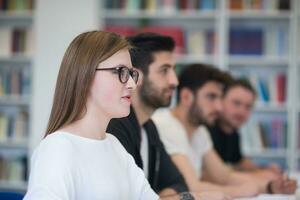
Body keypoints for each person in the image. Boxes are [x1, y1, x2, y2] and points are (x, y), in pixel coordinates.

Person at [24, 31, 158, 199]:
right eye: (120, 71)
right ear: (85, 76)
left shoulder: (114, 145)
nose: (132, 84)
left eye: (131, 74)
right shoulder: (57, 149)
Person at [107, 33, 228, 200]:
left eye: (173, 71)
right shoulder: (114, 127)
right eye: (164, 71)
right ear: (136, 76)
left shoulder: (149, 128)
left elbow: (178, 183)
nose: (175, 81)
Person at [152, 63, 297, 198]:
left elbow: (224, 176)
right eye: (211, 97)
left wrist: (270, 187)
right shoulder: (166, 125)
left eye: (220, 98)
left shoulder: (199, 131)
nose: (219, 107)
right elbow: (190, 186)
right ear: (186, 97)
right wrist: (241, 191)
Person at [208, 78, 287, 176]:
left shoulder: (233, 132)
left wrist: (264, 169)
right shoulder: (206, 131)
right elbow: (218, 172)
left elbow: (238, 162)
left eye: (248, 107)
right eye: (236, 103)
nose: (242, 112)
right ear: (220, 101)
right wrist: (261, 174)